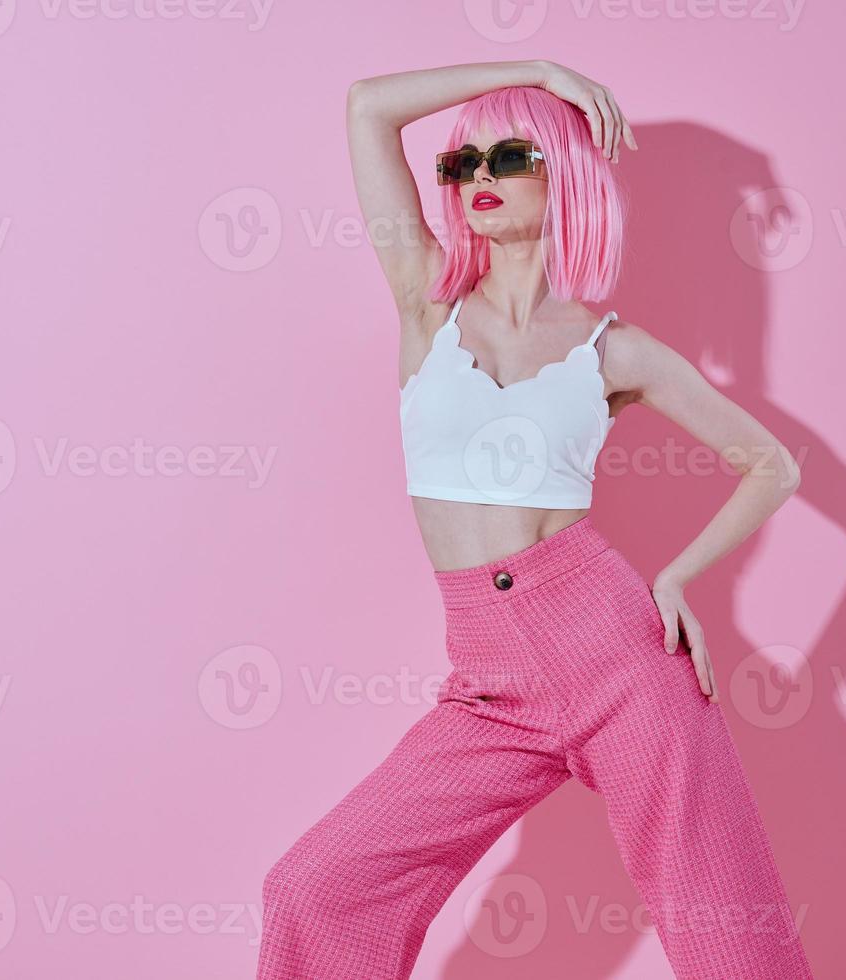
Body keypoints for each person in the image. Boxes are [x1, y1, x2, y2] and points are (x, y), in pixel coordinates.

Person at [256, 60, 815, 979]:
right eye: (459, 162)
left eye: (507, 155)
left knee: (725, 929)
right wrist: (533, 69)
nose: (476, 176)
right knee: (316, 886)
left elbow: (772, 464)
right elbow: (366, 105)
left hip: (616, 650)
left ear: (561, 170)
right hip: (488, 678)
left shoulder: (613, 348)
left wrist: (674, 577)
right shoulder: (425, 300)